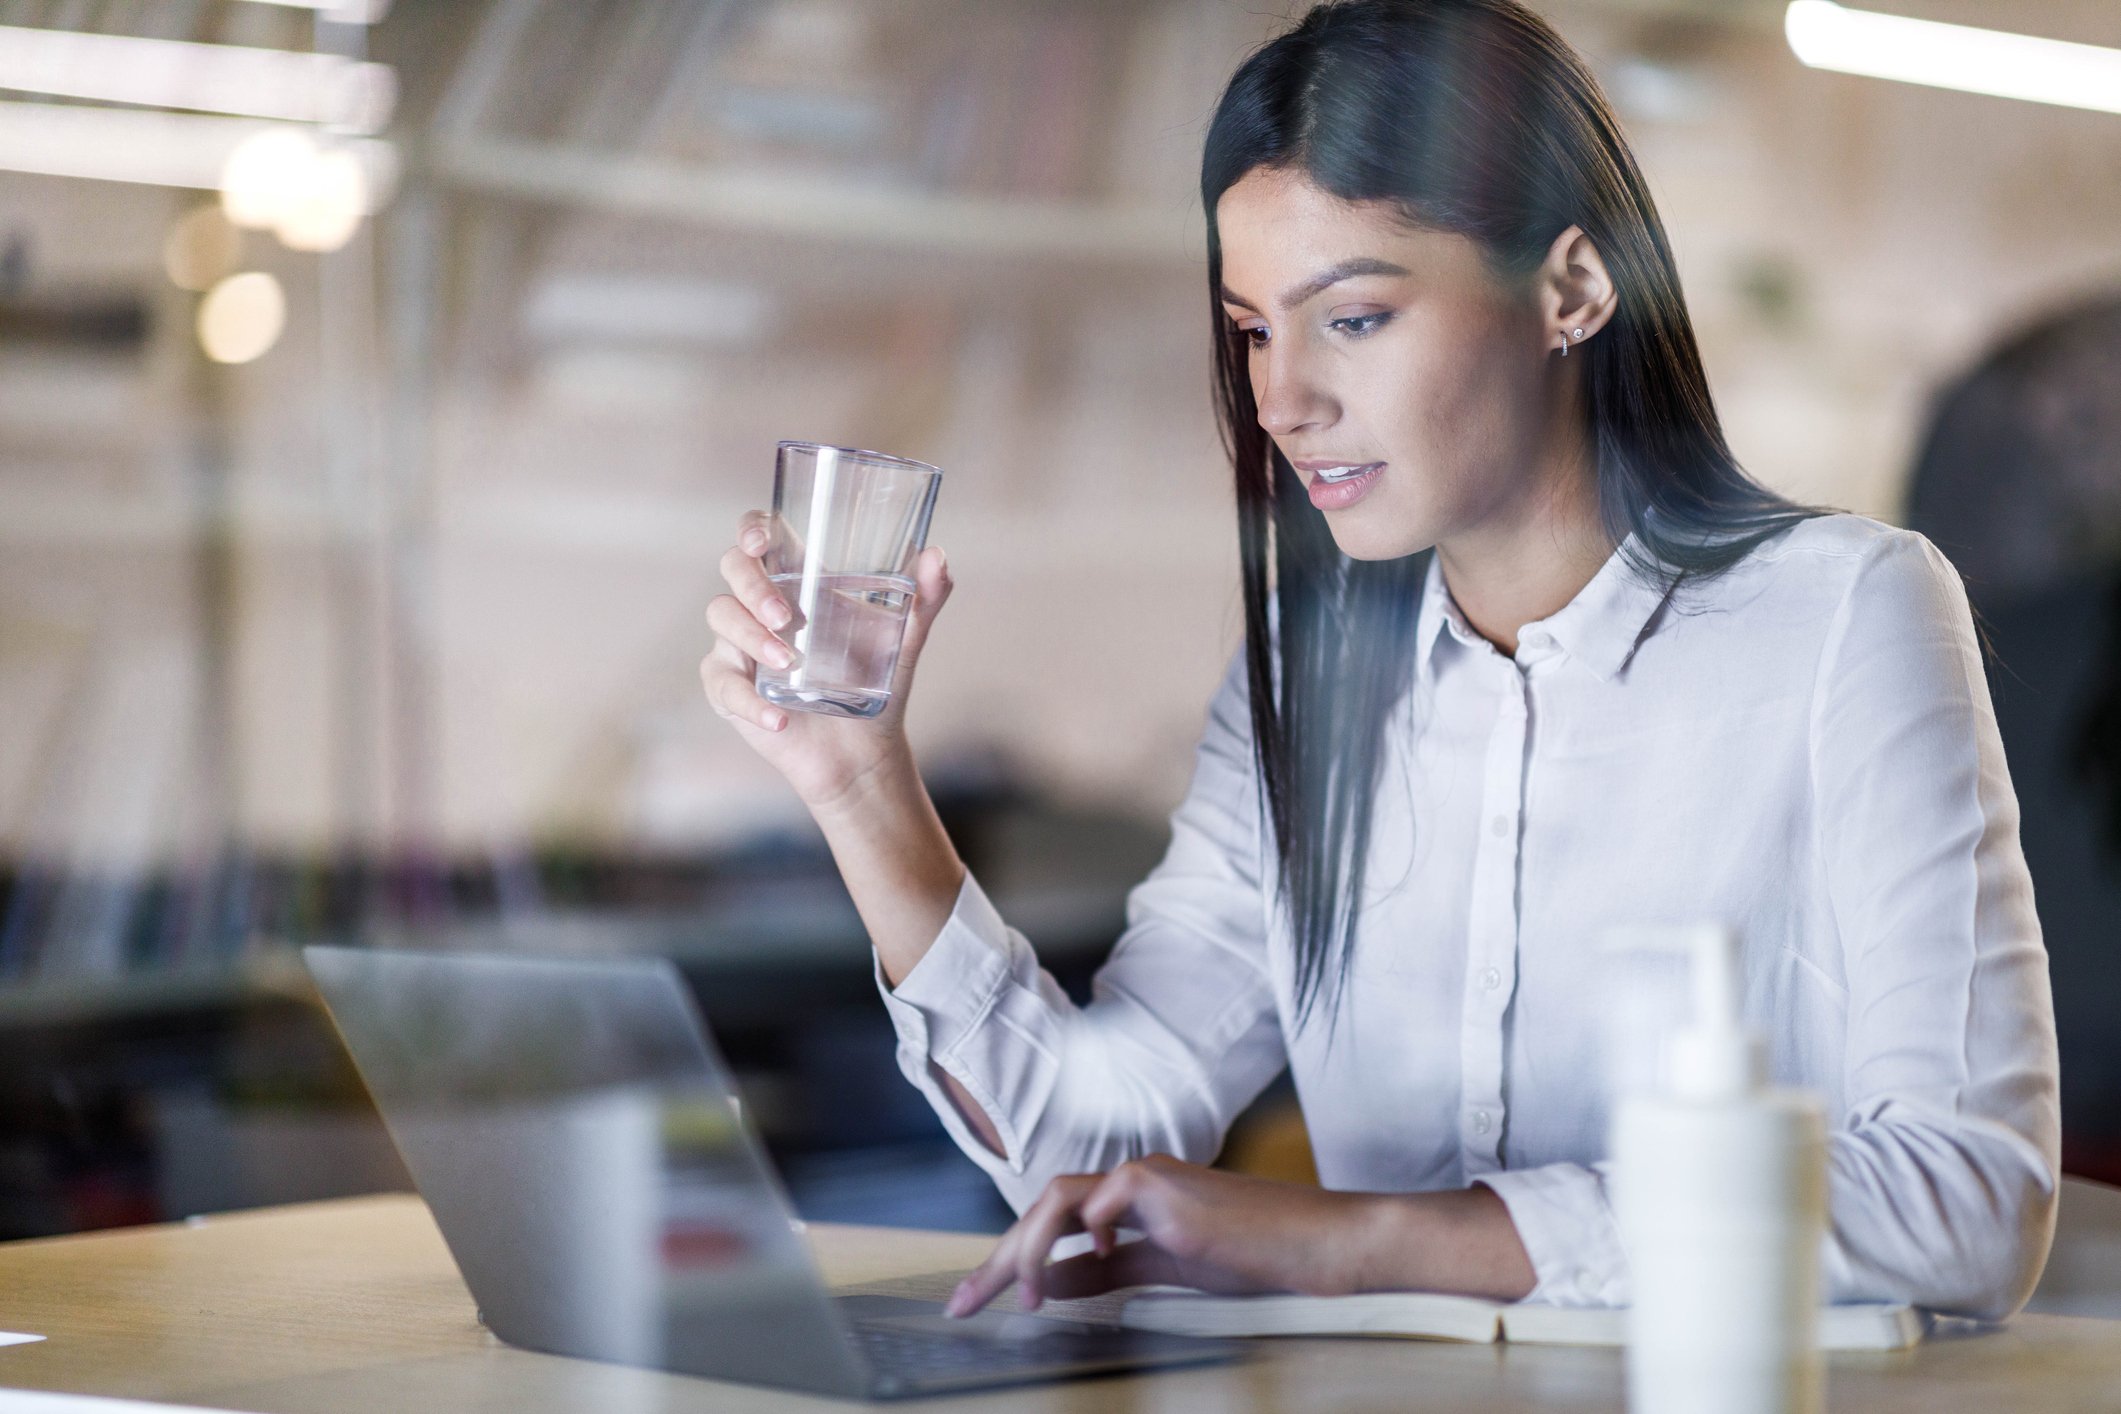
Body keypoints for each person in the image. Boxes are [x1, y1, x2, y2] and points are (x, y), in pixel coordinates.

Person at [700, 0, 2057, 1323]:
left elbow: (1969, 1195)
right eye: (1251, 328)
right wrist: (857, 783)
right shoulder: (1306, 667)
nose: (1282, 399)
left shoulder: (1844, 615)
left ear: (1572, 287)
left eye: (1351, 317)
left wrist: (1353, 1241)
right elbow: (1089, 1146)